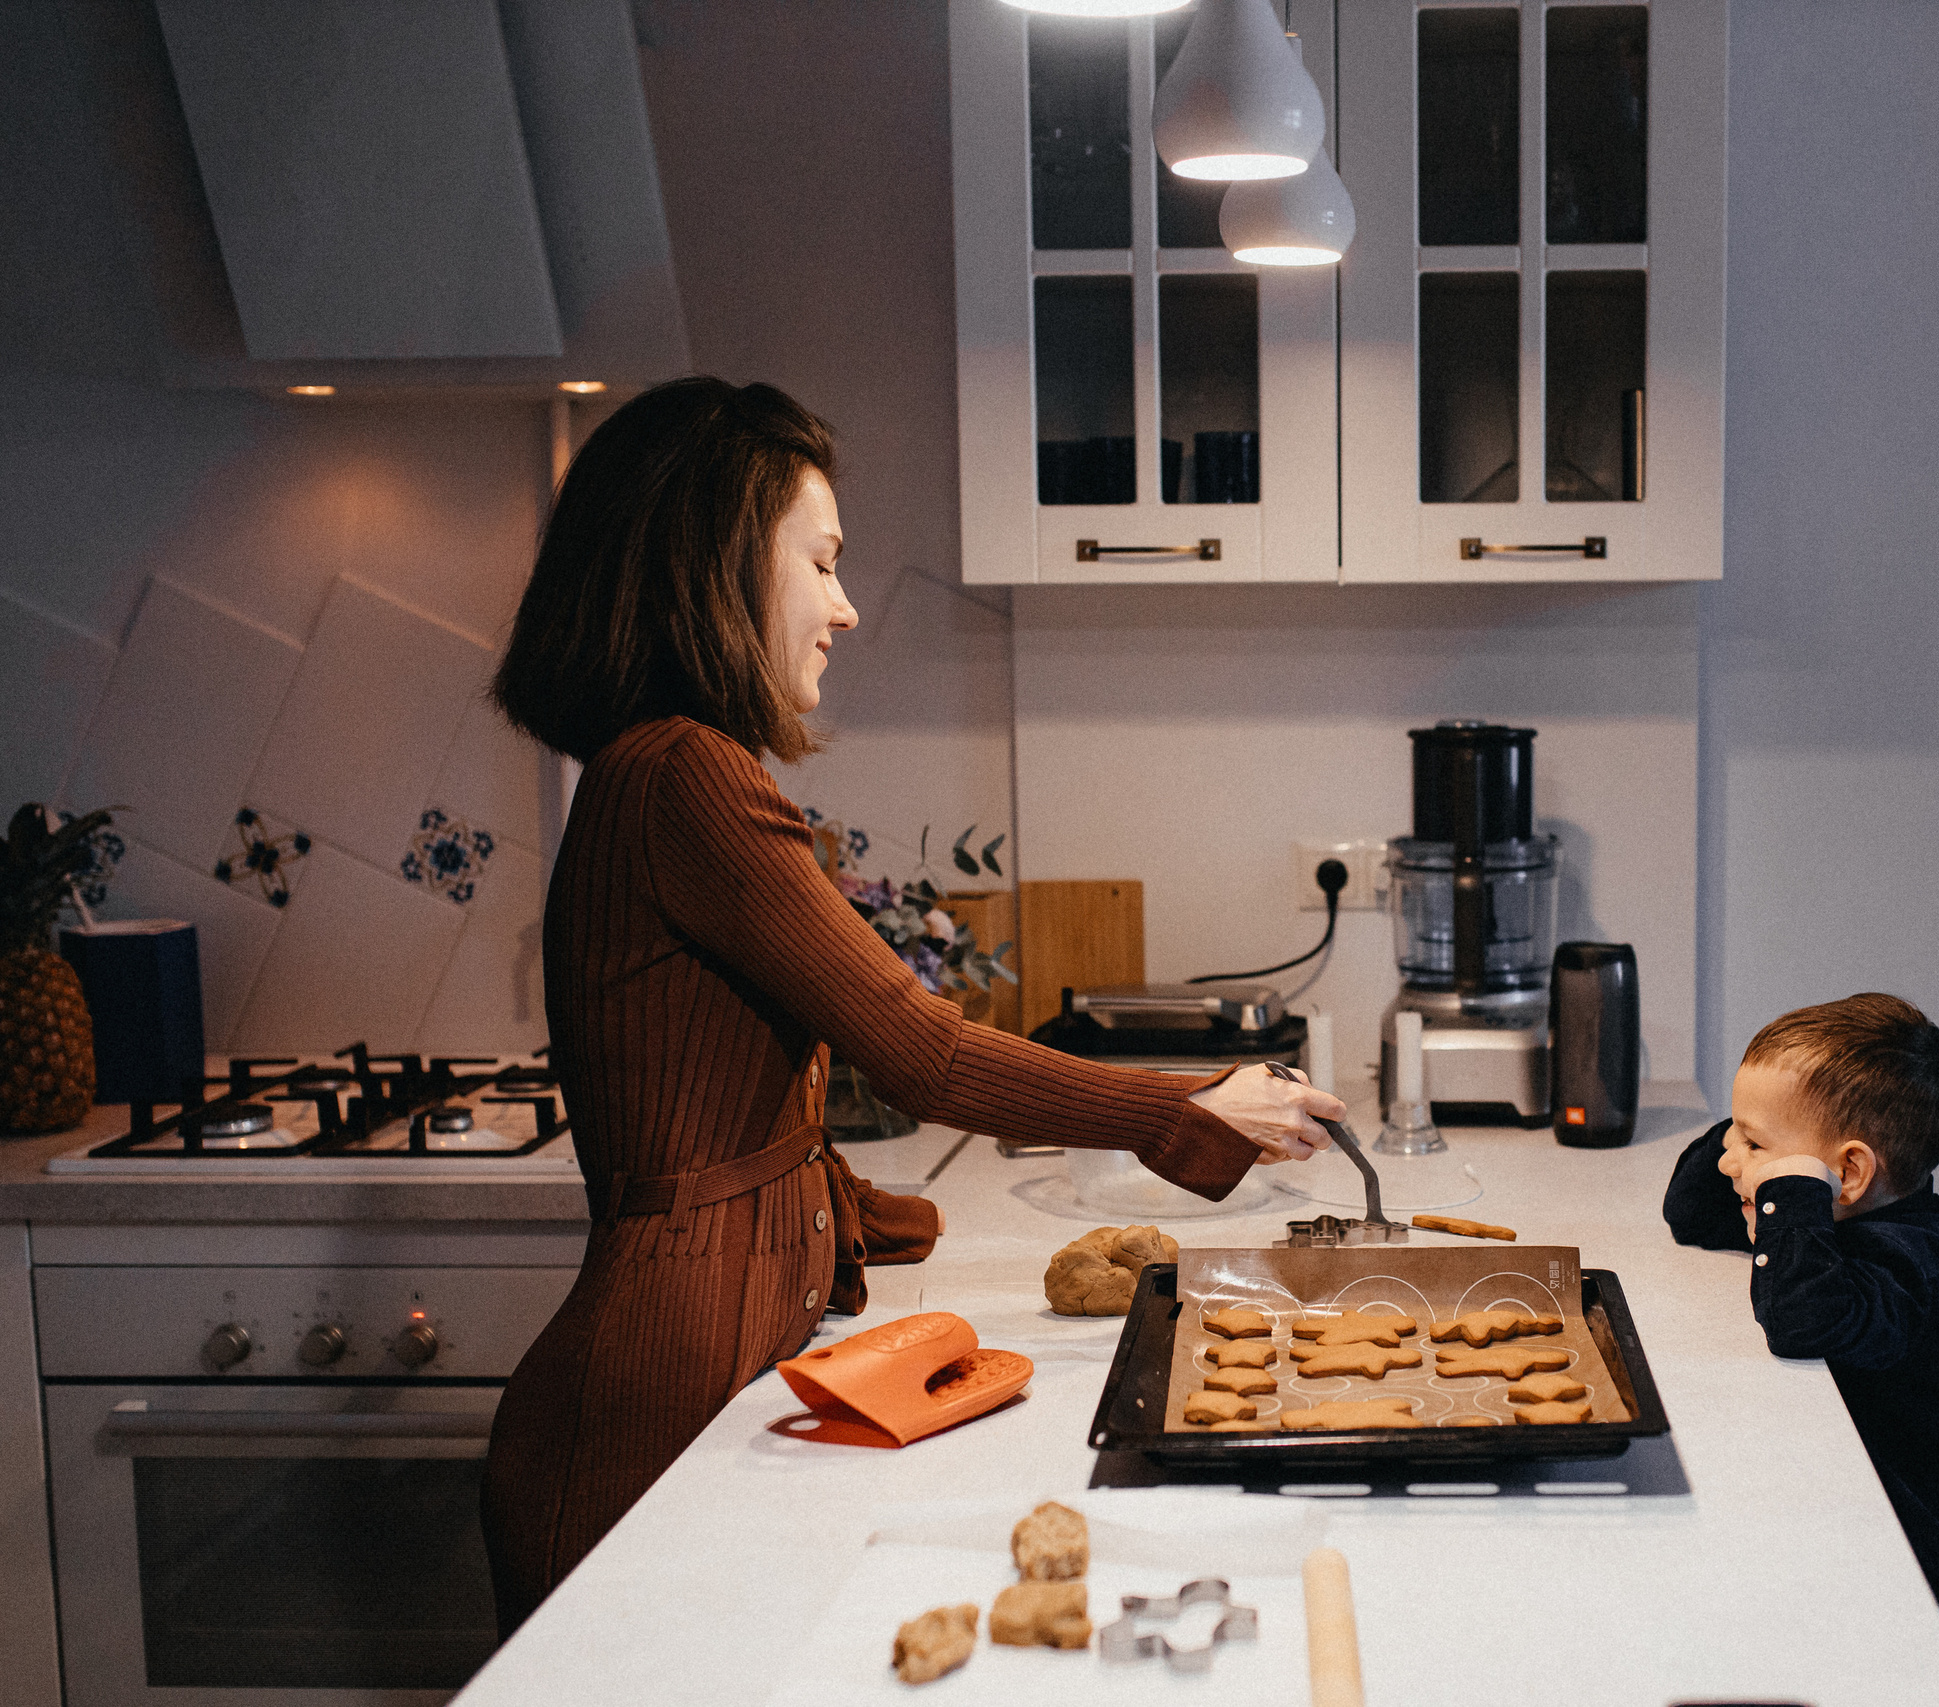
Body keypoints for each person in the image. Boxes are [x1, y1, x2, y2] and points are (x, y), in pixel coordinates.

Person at [482, 377, 1341, 1630]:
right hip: (642, 1423)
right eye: (820, 563)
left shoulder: (657, 770)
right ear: (715, 566)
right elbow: (925, 1053)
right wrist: (1189, 1107)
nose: (841, 607)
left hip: (686, 1382)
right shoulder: (687, 778)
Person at [1661, 993, 1939, 1707]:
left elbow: (1803, 1320)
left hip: (1927, 1585)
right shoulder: (1831, 1222)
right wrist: (1754, 1138)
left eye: (1752, 1147)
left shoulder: (1910, 1266)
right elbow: (1692, 1215)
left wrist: (1785, 1180)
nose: (1731, 1161)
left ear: (1846, 1175)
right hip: (1857, 1554)